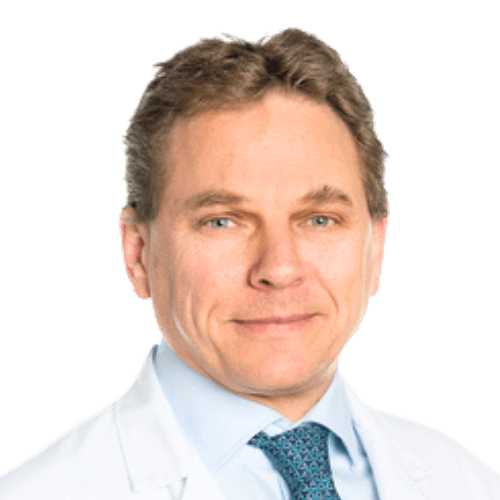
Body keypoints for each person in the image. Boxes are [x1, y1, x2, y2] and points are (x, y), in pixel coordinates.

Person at [1, 28, 499, 500]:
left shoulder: (468, 482)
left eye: (320, 219)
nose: (278, 269)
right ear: (138, 254)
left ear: (375, 248)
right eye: (222, 221)